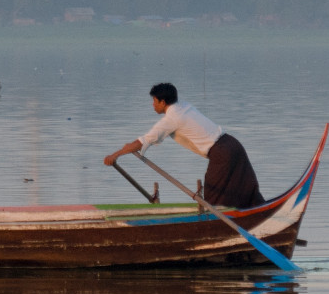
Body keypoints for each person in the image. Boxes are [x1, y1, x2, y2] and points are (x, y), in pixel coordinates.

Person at [104, 82, 264, 208]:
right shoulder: (183, 106)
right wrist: (128, 147)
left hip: (221, 152)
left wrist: (115, 155)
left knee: (214, 192)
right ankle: (260, 215)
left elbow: (143, 141)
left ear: (163, 102)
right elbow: (143, 141)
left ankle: (216, 227)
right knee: (247, 188)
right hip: (233, 144)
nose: (153, 105)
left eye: (154, 101)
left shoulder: (172, 119)